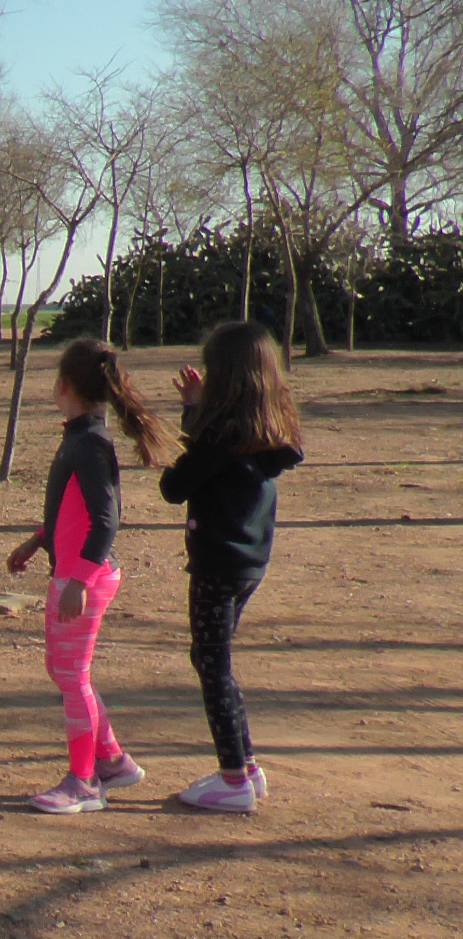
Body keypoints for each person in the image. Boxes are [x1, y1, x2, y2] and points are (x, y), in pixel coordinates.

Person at [5, 338, 174, 815]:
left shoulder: (92, 444)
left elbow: (106, 520)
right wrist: (39, 539)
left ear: (64, 386)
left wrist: (79, 579)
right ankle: (114, 761)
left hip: (87, 577)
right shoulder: (79, 437)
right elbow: (71, 509)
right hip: (72, 571)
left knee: (73, 676)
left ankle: (84, 782)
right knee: (62, 672)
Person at [159, 321, 305, 814]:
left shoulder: (218, 439)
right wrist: (196, 413)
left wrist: (191, 418)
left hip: (217, 565)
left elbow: (175, 486)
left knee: (213, 667)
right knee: (210, 661)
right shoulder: (267, 434)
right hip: (248, 564)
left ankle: (233, 778)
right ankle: (246, 766)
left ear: (223, 379)